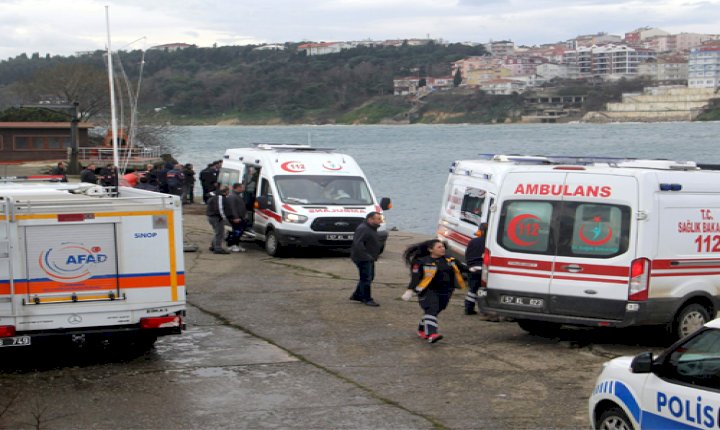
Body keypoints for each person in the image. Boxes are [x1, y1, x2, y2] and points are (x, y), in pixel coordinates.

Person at [402, 239, 466, 343]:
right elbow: (415, 278)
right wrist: (409, 290)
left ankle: (421, 329)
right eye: (439, 247)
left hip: (446, 290)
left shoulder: (450, 259)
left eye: (443, 247)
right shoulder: (421, 262)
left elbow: (463, 268)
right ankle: (432, 334)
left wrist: (475, 269)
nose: (443, 249)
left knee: (435, 311)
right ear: (430, 249)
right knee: (432, 308)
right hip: (427, 290)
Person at [349, 212, 384, 307]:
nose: (380, 221)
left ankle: (357, 295)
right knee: (366, 278)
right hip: (363, 258)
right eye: (378, 219)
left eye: (380, 219)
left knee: (368, 277)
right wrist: (366, 256)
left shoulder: (371, 228)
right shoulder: (363, 228)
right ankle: (367, 299)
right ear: (370, 219)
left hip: (369, 257)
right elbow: (358, 244)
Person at [464, 223, 486, 316]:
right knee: (484, 290)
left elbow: (467, 254)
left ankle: (469, 308)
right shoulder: (490, 242)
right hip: (484, 269)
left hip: (473, 268)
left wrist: (469, 266)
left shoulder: (473, 241)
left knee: (472, 290)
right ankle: (484, 310)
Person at [206, 185, 231, 254]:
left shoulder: (213, 195)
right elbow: (220, 208)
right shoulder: (220, 197)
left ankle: (214, 245)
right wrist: (224, 218)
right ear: (226, 191)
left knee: (217, 232)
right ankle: (218, 248)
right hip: (216, 217)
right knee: (220, 232)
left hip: (211, 216)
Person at [225, 183, 248, 252]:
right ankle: (232, 245)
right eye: (242, 187)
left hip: (241, 217)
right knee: (236, 232)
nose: (243, 189)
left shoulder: (237, 196)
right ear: (238, 188)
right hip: (236, 218)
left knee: (239, 232)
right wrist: (235, 217)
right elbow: (233, 208)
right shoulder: (232, 196)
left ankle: (236, 244)